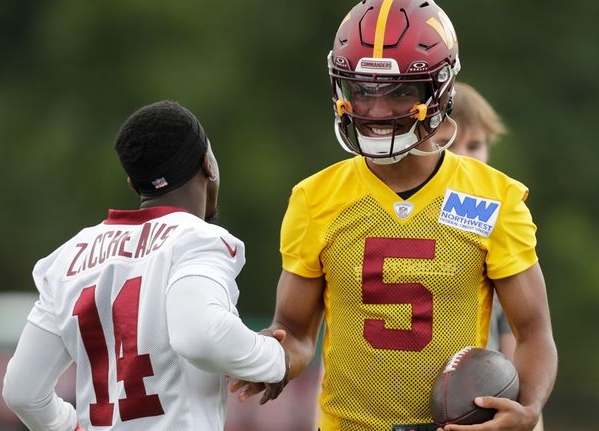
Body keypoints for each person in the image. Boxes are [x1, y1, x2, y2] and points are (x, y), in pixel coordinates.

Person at [231, 1, 557, 430]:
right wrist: (271, 359)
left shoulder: (494, 196)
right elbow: (296, 332)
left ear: (438, 91)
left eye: (400, 90)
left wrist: (528, 409)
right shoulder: (315, 198)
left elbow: (534, 333)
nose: (378, 110)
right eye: (363, 90)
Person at [2, 100, 288, 431]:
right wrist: (274, 359)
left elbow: (22, 391)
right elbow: (200, 335)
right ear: (208, 164)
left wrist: (71, 427)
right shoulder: (196, 239)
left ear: (133, 185)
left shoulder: (69, 255)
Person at [432, 81, 544, 431]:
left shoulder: (495, 233)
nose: (464, 156)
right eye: (447, 144)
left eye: (475, 145)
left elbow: (522, 355)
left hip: (477, 412)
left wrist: (529, 419)